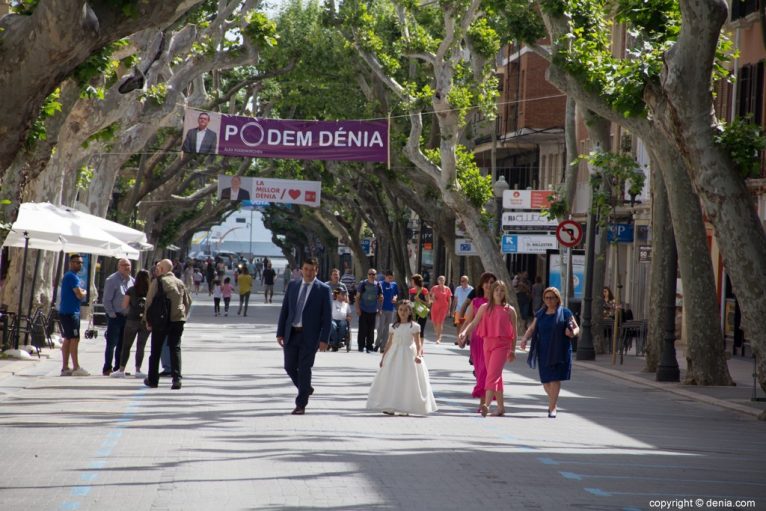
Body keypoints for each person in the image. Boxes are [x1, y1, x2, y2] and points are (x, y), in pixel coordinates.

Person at [276, 257, 332, 415]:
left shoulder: (323, 290)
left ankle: (301, 404)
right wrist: (280, 332)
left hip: (310, 337)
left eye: (312, 269)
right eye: (306, 269)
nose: (308, 272)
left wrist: (324, 339)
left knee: (305, 368)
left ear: (317, 270)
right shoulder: (293, 286)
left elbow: (327, 317)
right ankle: (306, 388)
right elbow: (285, 310)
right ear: (301, 269)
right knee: (289, 367)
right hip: (291, 333)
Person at [366, 300, 437, 416]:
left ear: (410, 312)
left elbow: (418, 344)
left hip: (408, 355)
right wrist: (383, 357)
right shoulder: (393, 326)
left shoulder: (414, 326)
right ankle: (390, 406)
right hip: (394, 355)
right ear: (397, 311)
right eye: (400, 310)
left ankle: (405, 407)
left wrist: (418, 355)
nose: (403, 312)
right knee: (393, 379)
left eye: (405, 310)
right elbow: (389, 343)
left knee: (407, 380)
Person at [459, 281, 517, 417]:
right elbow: (474, 323)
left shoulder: (510, 310)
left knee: (492, 375)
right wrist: (464, 332)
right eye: (496, 290)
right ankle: (501, 407)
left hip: (502, 346)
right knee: (496, 375)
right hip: (487, 344)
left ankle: (487, 404)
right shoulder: (484, 307)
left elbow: (514, 332)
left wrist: (512, 350)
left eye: (502, 290)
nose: (499, 293)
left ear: (505, 293)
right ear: (492, 292)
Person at [520, 287, 579, 418]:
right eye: (546, 298)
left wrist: (571, 333)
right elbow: (532, 328)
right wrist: (524, 339)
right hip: (544, 350)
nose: (549, 300)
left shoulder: (565, 312)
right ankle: (554, 402)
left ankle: (552, 408)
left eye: (552, 297)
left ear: (557, 299)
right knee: (546, 381)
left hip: (560, 350)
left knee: (555, 378)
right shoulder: (541, 314)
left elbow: (576, 327)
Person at [144, 259, 192, 390]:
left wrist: (147, 321)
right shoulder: (179, 282)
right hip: (177, 320)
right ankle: (176, 379)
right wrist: (183, 315)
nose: (156, 269)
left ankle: (153, 379)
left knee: (156, 350)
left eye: (158, 267)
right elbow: (188, 301)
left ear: (162, 269)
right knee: (175, 348)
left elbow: (149, 302)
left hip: (161, 321)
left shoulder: (158, 281)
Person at [458, 272, 497, 412]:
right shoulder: (475, 301)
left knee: (490, 371)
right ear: (481, 284)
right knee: (481, 371)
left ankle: (485, 404)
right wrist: (462, 335)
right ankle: (483, 403)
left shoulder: (498, 302)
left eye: (492, 282)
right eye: (486, 281)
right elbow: (469, 321)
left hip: (493, 341)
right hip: (478, 341)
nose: (489, 284)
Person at [110, 269, 151, 379]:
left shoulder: (131, 290)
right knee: (140, 346)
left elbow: (124, 305)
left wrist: (131, 310)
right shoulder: (151, 291)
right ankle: (138, 370)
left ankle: (121, 369)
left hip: (131, 320)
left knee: (126, 346)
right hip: (146, 321)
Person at [101, 258, 133, 376]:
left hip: (127, 317)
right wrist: (112, 315)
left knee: (122, 344)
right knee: (111, 343)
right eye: (124, 265)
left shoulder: (132, 281)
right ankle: (107, 368)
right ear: (118, 266)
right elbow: (106, 300)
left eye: (128, 265)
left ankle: (119, 368)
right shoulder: (112, 280)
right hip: (115, 316)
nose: (127, 267)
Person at [59, 254, 89, 376]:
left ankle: (65, 367)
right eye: (77, 262)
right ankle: (76, 367)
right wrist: (84, 292)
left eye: (81, 262)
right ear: (71, 263)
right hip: (71, 312)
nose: (80, 265)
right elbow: (79, 295)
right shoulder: (72, 277)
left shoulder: (69, 276)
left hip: (66, 311)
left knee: (68, 338)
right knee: (74, 339)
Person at [356, 268, 383, 353]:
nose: (371, 275)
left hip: (373, 310)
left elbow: (381, 298)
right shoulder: (362, 284)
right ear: (367, 275)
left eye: (373, 274)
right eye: (370, 274)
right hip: (363, 309)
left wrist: (380, 308)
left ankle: (369, 346)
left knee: (371, 330)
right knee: (362, 329)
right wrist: (357, 308)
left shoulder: (378, 285)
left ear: (375, 275)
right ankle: (361, 346)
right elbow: (357, 297)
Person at [374, 270, 399, 352]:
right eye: (389, 278)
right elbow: (377, 295)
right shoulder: (380, 284)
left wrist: (395, 297)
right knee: (380, 328)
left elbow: (396, 294)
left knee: (387, 329)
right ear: (385, 276)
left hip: (391, 309)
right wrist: (378, 308)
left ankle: (383, 346)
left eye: (392, 278)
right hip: (382, 309)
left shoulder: (394, 285)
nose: (391, 279)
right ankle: (377, 343)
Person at [429, 275, 452, 344]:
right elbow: (430, 298)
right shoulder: (434, 288)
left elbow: (449, 300)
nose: (441, 281)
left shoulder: (447, 289)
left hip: (443, 308)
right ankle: (438, 334)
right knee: (434, 322)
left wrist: (449, 309)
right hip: (434, 308)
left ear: (445, 281)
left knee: (440, 322)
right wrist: (432, 299)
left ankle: (438, 338)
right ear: (438, 281)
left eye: (443, 280)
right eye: (440, 280)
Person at [409, 274, 431, 343]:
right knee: (412, 330)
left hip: (422, 312)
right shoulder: (411, 290)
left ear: (415, 281)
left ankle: (420, 349)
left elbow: (428, 304)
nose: (411, 282)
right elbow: (410, 301)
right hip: (413, 312)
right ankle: (413, 346)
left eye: (412, 281)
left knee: (421, 330)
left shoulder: (424, 290)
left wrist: (420, 300)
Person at [452, 275, 473, 343]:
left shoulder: (471, 289)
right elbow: (455, 300)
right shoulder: (458, 288)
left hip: (468, 310)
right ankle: (458, 339)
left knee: (467, 324)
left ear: (467, 281)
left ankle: (468, 338)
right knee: (459, 325)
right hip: (458, 310)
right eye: (461, 281)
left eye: (463, 281)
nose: (462, 282)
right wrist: (453, 309)